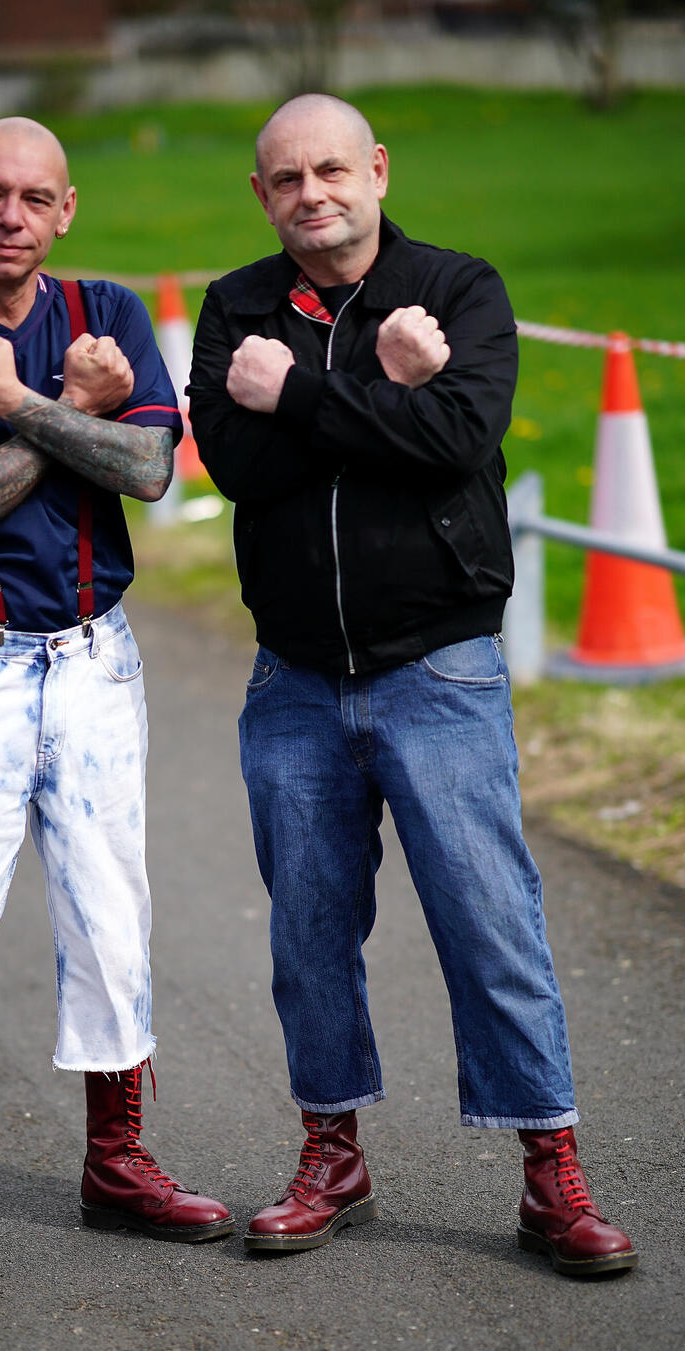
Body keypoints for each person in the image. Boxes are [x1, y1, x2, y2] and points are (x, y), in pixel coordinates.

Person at [187, 93, 637, 1278]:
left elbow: (457, 438)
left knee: (491, 924)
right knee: (309, 933)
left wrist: (296, 395)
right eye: (284, 179)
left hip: (439, 666)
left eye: (331, 169)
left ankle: (551, 1171)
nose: (310, 194)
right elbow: (236, 469)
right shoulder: (236, 304)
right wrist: (381, 398)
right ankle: (330, 1153)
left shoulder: (458, 287)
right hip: (292, 677)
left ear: (376, 169)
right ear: (261, 194)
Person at [0, 116, 233, 1298]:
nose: (10, 215)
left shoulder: (111, 315)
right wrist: (72, 411)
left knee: (112, 913)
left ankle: (115, 1161)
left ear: (65, 209)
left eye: (34, 197)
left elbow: (149, 471)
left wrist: (21, 400)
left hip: (92, 659)